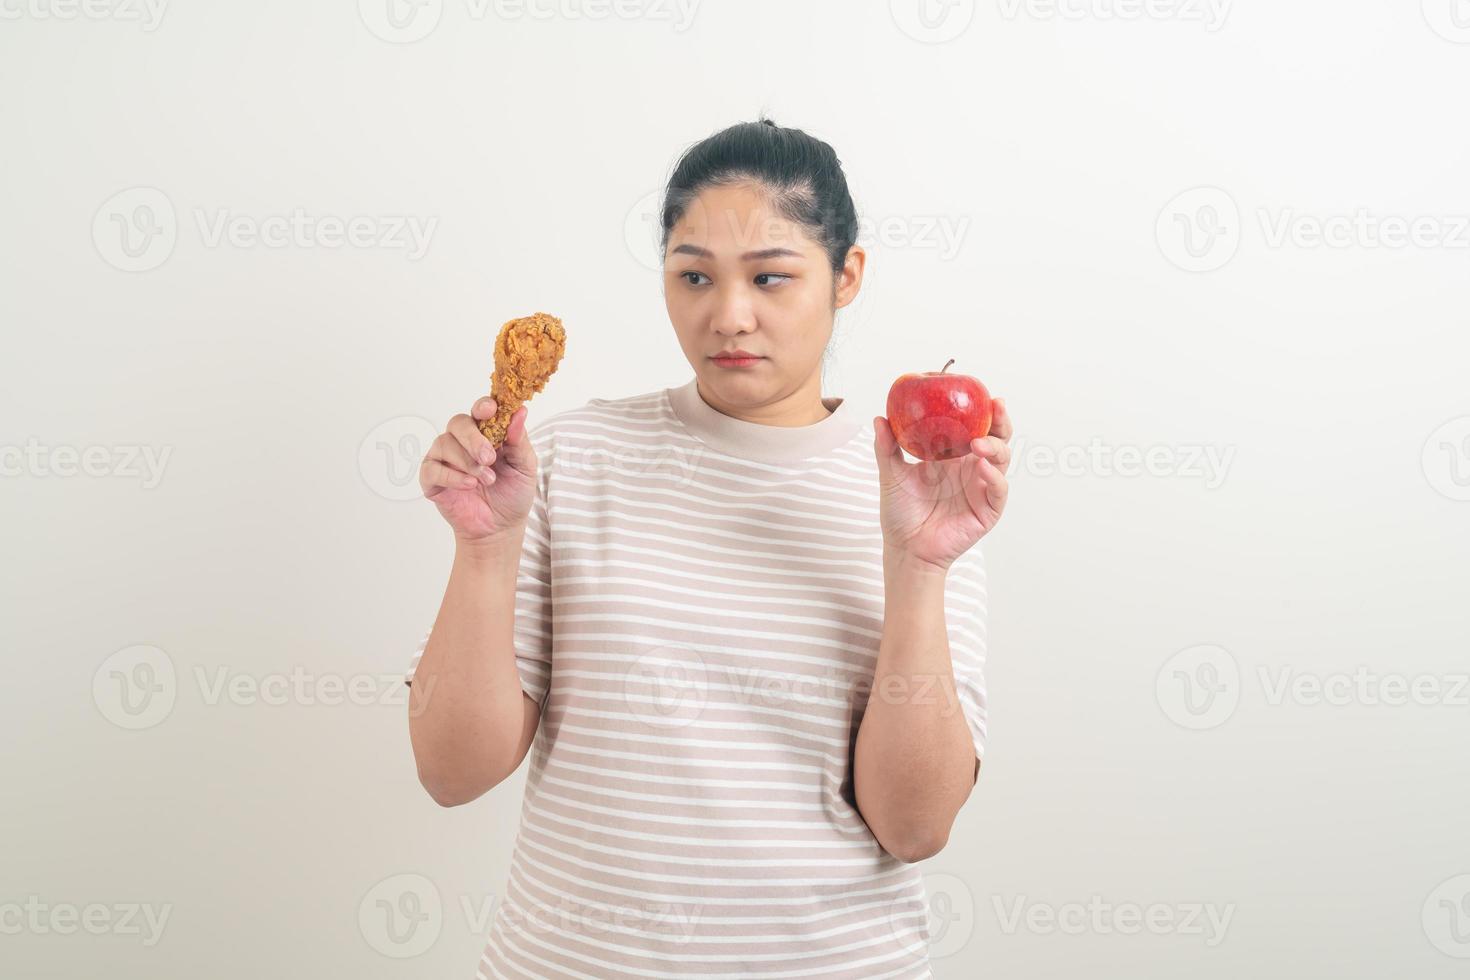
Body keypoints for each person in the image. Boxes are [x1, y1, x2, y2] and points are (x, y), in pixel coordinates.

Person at [406, 117, 1014, 979]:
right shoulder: (568, 463)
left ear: (847, 277)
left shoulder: (921, 494)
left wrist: (918, 567)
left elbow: (915, 828)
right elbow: (451, 773)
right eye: (694, 276)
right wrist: (484, 547)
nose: (729, 316)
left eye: (771, 277)